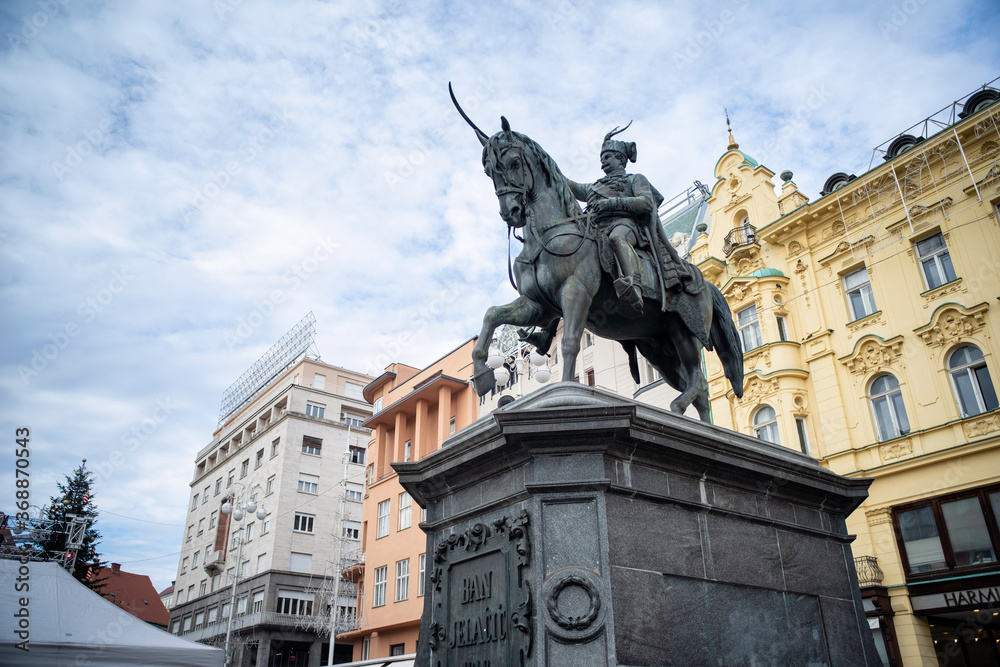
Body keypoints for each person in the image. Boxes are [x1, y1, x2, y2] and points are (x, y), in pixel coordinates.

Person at [567, 124, 691, 314]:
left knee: (618, 239)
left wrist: (611, 204)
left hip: (626, 225)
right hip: (597, 229)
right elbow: (571, 186)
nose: (603, 163)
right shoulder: (593, 187)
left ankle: (633, 287)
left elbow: (646, 203)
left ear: (620, 158)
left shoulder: (635, 179)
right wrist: (548, 166)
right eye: (602, 159)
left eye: (607, 157)